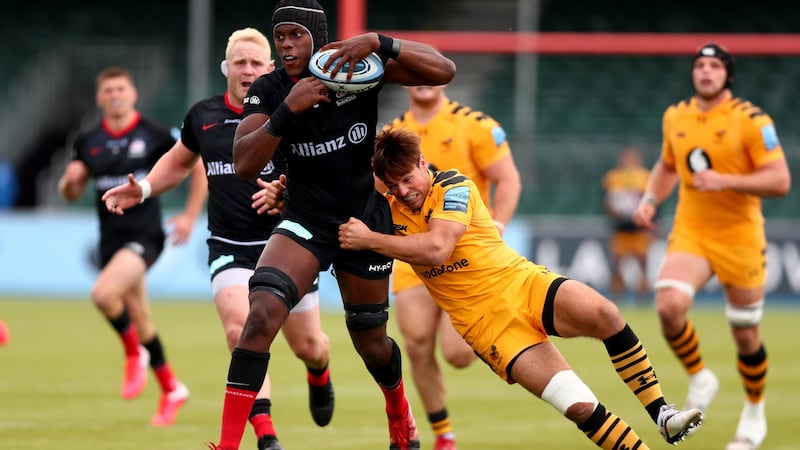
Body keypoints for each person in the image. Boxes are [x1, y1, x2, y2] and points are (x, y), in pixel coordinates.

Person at [337, 127, 704, 450]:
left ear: (422, 162)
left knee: (605, 313)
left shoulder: (453, 185)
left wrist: (370, 240)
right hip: (487, 326)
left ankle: (662, 413)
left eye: (408, 179)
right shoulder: (385, 209)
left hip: (523, 283)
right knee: (578, 406)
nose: (403, 190)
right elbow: (337, 196)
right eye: (393, 183)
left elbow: (437, 249)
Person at [201, 1, 455, 448]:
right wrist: (286, 112)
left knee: (371, 343)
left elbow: (442, 71)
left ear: (317, 37)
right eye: (279, 37)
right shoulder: (271, 88)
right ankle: (227, 445)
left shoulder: (356, 69)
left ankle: (400, 416)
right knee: (258, 316)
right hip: (305, 220)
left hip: (364, 221)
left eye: (295, 35)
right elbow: (243, 163)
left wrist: (380, 42)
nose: (285, 45)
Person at [101, 28, 334, 450]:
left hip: (287, 246)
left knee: (310, 345)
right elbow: (178, 162)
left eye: (255, 63)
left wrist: (287, 191)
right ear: (227, 68)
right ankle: (266, 436)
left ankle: (319, 372)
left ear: (270, 68)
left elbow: (321, 173)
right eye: (239, 62)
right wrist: (146, 189)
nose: (247, 70)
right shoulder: (203, 116)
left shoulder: (293, 109)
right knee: (240, 330)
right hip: (229, 247)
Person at [632, 43, 791, 450]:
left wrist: (726, 181)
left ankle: (754, 413)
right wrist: (651, 198)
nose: (705, 71)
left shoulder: (751, 120)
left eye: (715, 65)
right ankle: (700, 376)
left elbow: (779, 180)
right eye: (699, 65)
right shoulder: (676, 116)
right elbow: (668, 165)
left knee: (745, 334)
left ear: (728, 76)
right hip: (693, 231)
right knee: (668, 306)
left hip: (740, 236)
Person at [386, 85, 521, 450]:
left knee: (458, 354)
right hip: (414, 250)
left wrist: (500, 226)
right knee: (415, 343)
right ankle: (443, 436)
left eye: (428, 74)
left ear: (443, 78)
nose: (422, 81)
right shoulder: (394, 134)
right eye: (414, 75)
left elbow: (508, 179)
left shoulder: (473, 125)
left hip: (462, 254)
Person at [57, 66, 189, 427]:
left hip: (145, 234)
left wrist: (191, 214)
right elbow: (70, 192)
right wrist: (69, 183)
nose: (115, 95)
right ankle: (172, 389)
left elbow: (196, 162)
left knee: (103, 295)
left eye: (121, 89)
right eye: (108, 90)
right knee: (142, 321)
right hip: (109, 240)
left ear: (133, 94)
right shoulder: (87, 140)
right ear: (100, 98)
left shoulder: (156, 134)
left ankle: (134, 356)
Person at [602, 146, 653, 303]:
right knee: (616, 262)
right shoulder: (612, 177)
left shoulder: (646, 176)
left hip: (639, 227)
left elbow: (651, 200)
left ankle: (642, 294)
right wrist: (614, 212)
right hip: (621, 227)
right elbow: (606, 201)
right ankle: (617, 292)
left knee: (642, 261)